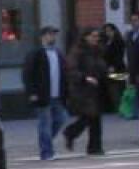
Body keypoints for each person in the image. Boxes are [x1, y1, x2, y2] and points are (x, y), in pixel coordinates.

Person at [22, 26, 69, 161]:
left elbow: (63, 73)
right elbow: (27, 74)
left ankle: (45, 141)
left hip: (57, 95)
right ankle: (46, 152)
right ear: (42, 37)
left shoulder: (58, 53)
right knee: (45, 123)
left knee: (61, 119)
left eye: (54, 34)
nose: (53, 37)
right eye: (50, 34)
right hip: (43, 95)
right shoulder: (36, 53)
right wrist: (31, 92)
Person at [62, 26, 107, 156]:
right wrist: (84, 78)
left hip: (95, 89)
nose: (96, 39)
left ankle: (94, 146)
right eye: (93, 36)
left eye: (97, 36)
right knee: (90, 116)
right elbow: (71, 70)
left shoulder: (97, 51)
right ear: (85, 37)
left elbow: (100, 66)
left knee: (95, 118)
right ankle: (71, 133)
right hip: (82, 90)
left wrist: (106, 72)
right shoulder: (77, 52)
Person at [125, 11, 139, 119]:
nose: (134, 23)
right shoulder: (129, 35)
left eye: (136, 20)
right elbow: (128, 52)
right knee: (133, 90)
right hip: (132, 67)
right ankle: (134, 112)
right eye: (132, 21)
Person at [101, 22, 127, 114]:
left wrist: (113, 66)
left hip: (119, 69)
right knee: (112, 89)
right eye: (106, 31)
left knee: (119, 89)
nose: (108, 33)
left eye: (110, 31)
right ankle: (116, 108)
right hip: (108, 69)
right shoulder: (105, 42)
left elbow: (119, 56)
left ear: (114, 31)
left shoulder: (119, 41)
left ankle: (122, 108)